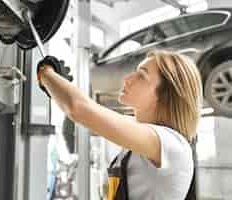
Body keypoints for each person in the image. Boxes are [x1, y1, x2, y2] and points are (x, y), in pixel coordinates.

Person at [36, 49, 202, 200]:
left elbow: (79, 109)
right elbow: (83, 112)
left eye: (142, 76)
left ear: (165, 95)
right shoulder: (142, 134)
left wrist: (45, 73)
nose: (128, 79)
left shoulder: (171, 144)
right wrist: (57, 85)